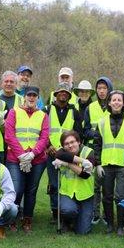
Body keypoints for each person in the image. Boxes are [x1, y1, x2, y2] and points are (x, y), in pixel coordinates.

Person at [94, 90, 124, 235]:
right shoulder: (101, 122)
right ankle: (109, 224)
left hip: (123, 164)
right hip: (106, 165)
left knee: (121, 196)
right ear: (109, 103)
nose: (116, 102)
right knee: (107, 196)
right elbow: (97, 144)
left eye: (119, 100)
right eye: (113, 100)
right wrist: (98, 163)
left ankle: (121, 225)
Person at [4, 88, 50, 232]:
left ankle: (27, 220)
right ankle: (12, 218)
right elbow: (9, 135)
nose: (31, 98)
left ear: (38, 98)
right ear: (24, 97)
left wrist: (32, 154)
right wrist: (22, 155)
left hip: (36, 160)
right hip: (15, 158)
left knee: (31, 190)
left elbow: (44, 138)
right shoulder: (14, 112)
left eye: (34, 96)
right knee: (17, 189)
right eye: (29, 95)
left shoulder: (43, 115)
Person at [44, 82, 83, 224]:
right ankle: (55, 212)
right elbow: (42, 131)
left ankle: (68, 211)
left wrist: (71, 149)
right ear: (55, 94)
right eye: (60, 92)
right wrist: (48, 146)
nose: (63, 94)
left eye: (66, 92)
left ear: (69, 95)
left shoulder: (74, 111)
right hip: (51, 152)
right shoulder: (47, 109)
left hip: (68, 153)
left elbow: (78, 134)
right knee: (54, 183)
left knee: (67, 182)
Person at [52, 131, 95, 234]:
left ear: (79, 142)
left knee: (82, 231)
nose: (70, 145)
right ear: (63, 146)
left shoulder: (89, 152)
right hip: (67, 193)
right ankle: (67, 221)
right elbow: (58, 153)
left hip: (85, 195)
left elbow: (85, 175)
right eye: (66, 144)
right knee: (68, 210)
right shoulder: (61, 153)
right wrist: (81, 161)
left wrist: (66, 163)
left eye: (72, 142)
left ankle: (80, 218)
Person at [83, 76, 112, 224]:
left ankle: (106, 215)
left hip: (109, 150)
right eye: (99, 88)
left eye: (104, 88)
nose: (101, 91)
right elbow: (86, 130)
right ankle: (95, 213)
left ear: (109, 89)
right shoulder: (90, 108)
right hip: (93, 150)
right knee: (94, 185)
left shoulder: (114, 105)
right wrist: (98, 134)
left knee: (106, 184)